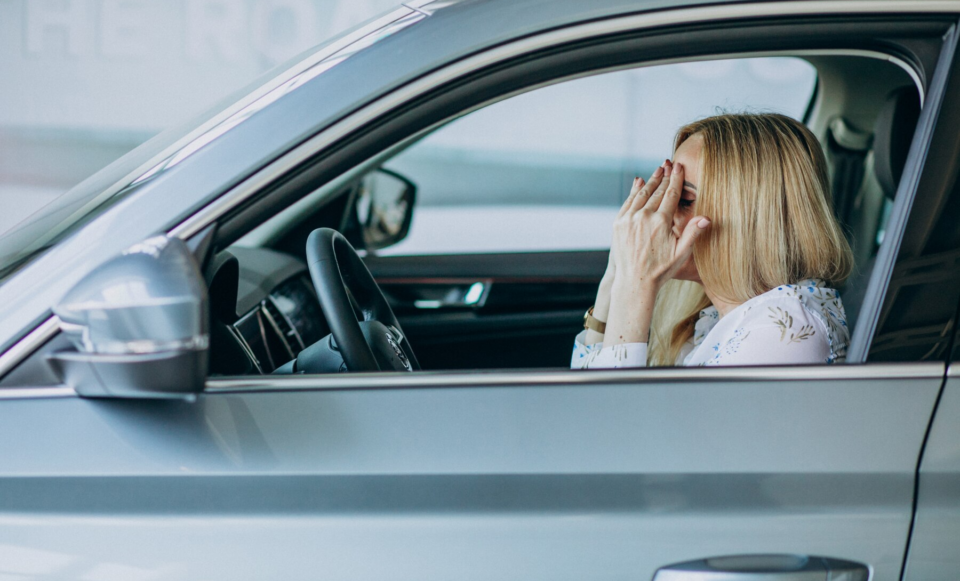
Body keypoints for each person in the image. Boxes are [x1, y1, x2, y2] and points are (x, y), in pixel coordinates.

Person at [573, 113, 853, 369]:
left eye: (683, 200)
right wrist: (617, 271)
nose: (660, 216)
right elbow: (583, 403)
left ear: (748, 218)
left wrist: (636, 282)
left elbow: (610, 417)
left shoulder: (782, 330)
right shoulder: (715, 318)